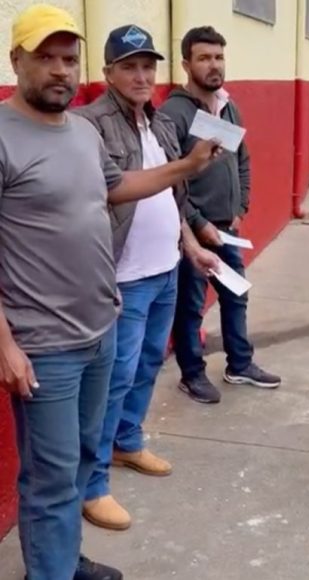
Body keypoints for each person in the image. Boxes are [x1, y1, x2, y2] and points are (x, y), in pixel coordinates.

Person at [0, 5, 220, 578]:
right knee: (48, 478)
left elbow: (116, 187)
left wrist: (188, 166)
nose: (58, 70)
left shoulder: (80, 130)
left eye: (68, 59)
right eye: (44, 58)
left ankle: (62, 561)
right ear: (15, 60)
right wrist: (5, 344)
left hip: (99, 327)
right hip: (43, 344)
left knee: (79, 461)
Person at [71, 24, 222, 532]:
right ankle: (92, 485)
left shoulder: (156, 124)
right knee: (110, 384)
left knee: (147, 368)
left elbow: (170, 198)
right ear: (108, 72)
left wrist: (192, 244)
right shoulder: (89, 125)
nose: (141, 76)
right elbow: (115, 191)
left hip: (164, 271)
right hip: (123, 278)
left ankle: (128, 444)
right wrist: (187, 164)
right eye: (130, 66)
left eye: (147, 66)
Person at [161, 25, 280, 404]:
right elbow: (170, 181)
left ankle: (239, 365)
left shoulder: (228, 106)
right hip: (194, 236)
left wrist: (241, 206)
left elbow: (240, 159)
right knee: (191, 307)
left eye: (219, 57)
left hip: (228, 229)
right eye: (204, 58)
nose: (214, 65)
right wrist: (199, 224)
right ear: (186, 64)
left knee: (235, 298)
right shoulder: (173, 114)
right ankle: (191, 374)